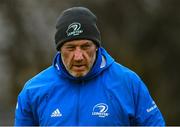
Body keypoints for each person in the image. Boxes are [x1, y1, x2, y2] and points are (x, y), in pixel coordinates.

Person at [14, 7, 165, 126]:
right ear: (60, 50)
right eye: (71, 48)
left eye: (86, 46)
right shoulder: (33, 90)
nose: (79, 57)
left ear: (97, 47)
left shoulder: (128, 83)